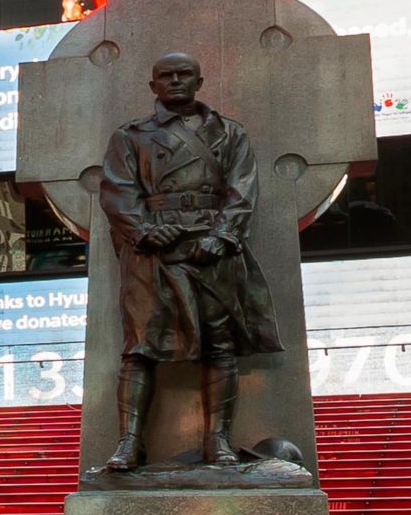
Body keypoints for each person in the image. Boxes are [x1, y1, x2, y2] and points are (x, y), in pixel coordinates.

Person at [94, 50, 275, 471]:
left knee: (220, 345)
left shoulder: (229, 133)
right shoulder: (131, 136)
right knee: (139, 346)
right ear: (152, 85)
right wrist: (142, 230)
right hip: (152, 252)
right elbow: (116, 189)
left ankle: (218, 443)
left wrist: (224, 235)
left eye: (184, 75)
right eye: (166, 75)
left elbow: (243, 189)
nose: (175, 81)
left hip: (210, 249)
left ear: (199, 81)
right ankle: (129, 444)